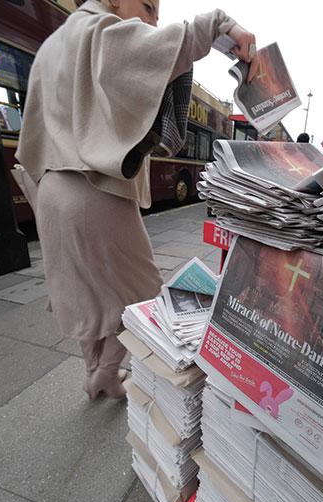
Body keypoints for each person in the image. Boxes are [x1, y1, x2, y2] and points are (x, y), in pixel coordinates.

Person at [15, 0, 258, 399]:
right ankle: (105, 373)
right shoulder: (103, 31)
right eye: (148, 6)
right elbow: (169, 44)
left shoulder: (54, 44)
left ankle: (97, 371)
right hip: (93, 189)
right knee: (145, 294)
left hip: (49, 190)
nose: (153, 20)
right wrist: (223, 24)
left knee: (81, 291)